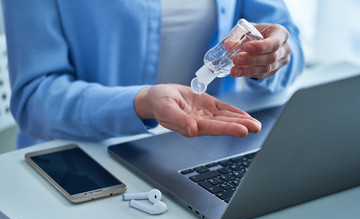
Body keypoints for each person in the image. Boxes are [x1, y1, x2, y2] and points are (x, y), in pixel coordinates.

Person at [2, 0, 304, 148]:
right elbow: (34, 97)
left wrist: (268, 60)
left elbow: (291, 44)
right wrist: (142, 102)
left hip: (202, 152)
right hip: (81, 162)